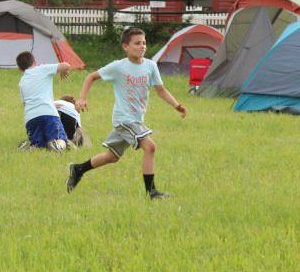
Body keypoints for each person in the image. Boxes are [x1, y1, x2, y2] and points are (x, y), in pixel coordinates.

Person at [66, 27, 187, 200]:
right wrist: (82, 98)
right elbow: (90, 77)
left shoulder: (150, 66)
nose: (142, 46)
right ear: (126, 47)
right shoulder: (118, 67)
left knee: (112, 157)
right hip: (124, 120)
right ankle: (152, 192)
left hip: (136, 119)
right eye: (137, 43)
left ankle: (78, 169)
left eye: (144, 43)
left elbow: (161, 90)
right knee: (150, 147)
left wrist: (177, 105)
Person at [16, 52, 71, 150]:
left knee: (39, 145)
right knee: (61, 138)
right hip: (49, 113)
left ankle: (31, 146)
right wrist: (63, 71)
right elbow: (66, 66)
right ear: (35, 61)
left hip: (31, 118)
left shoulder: (22, 82)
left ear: (20, 69)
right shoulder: (42, 69)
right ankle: (57, 146)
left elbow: (25, 104)